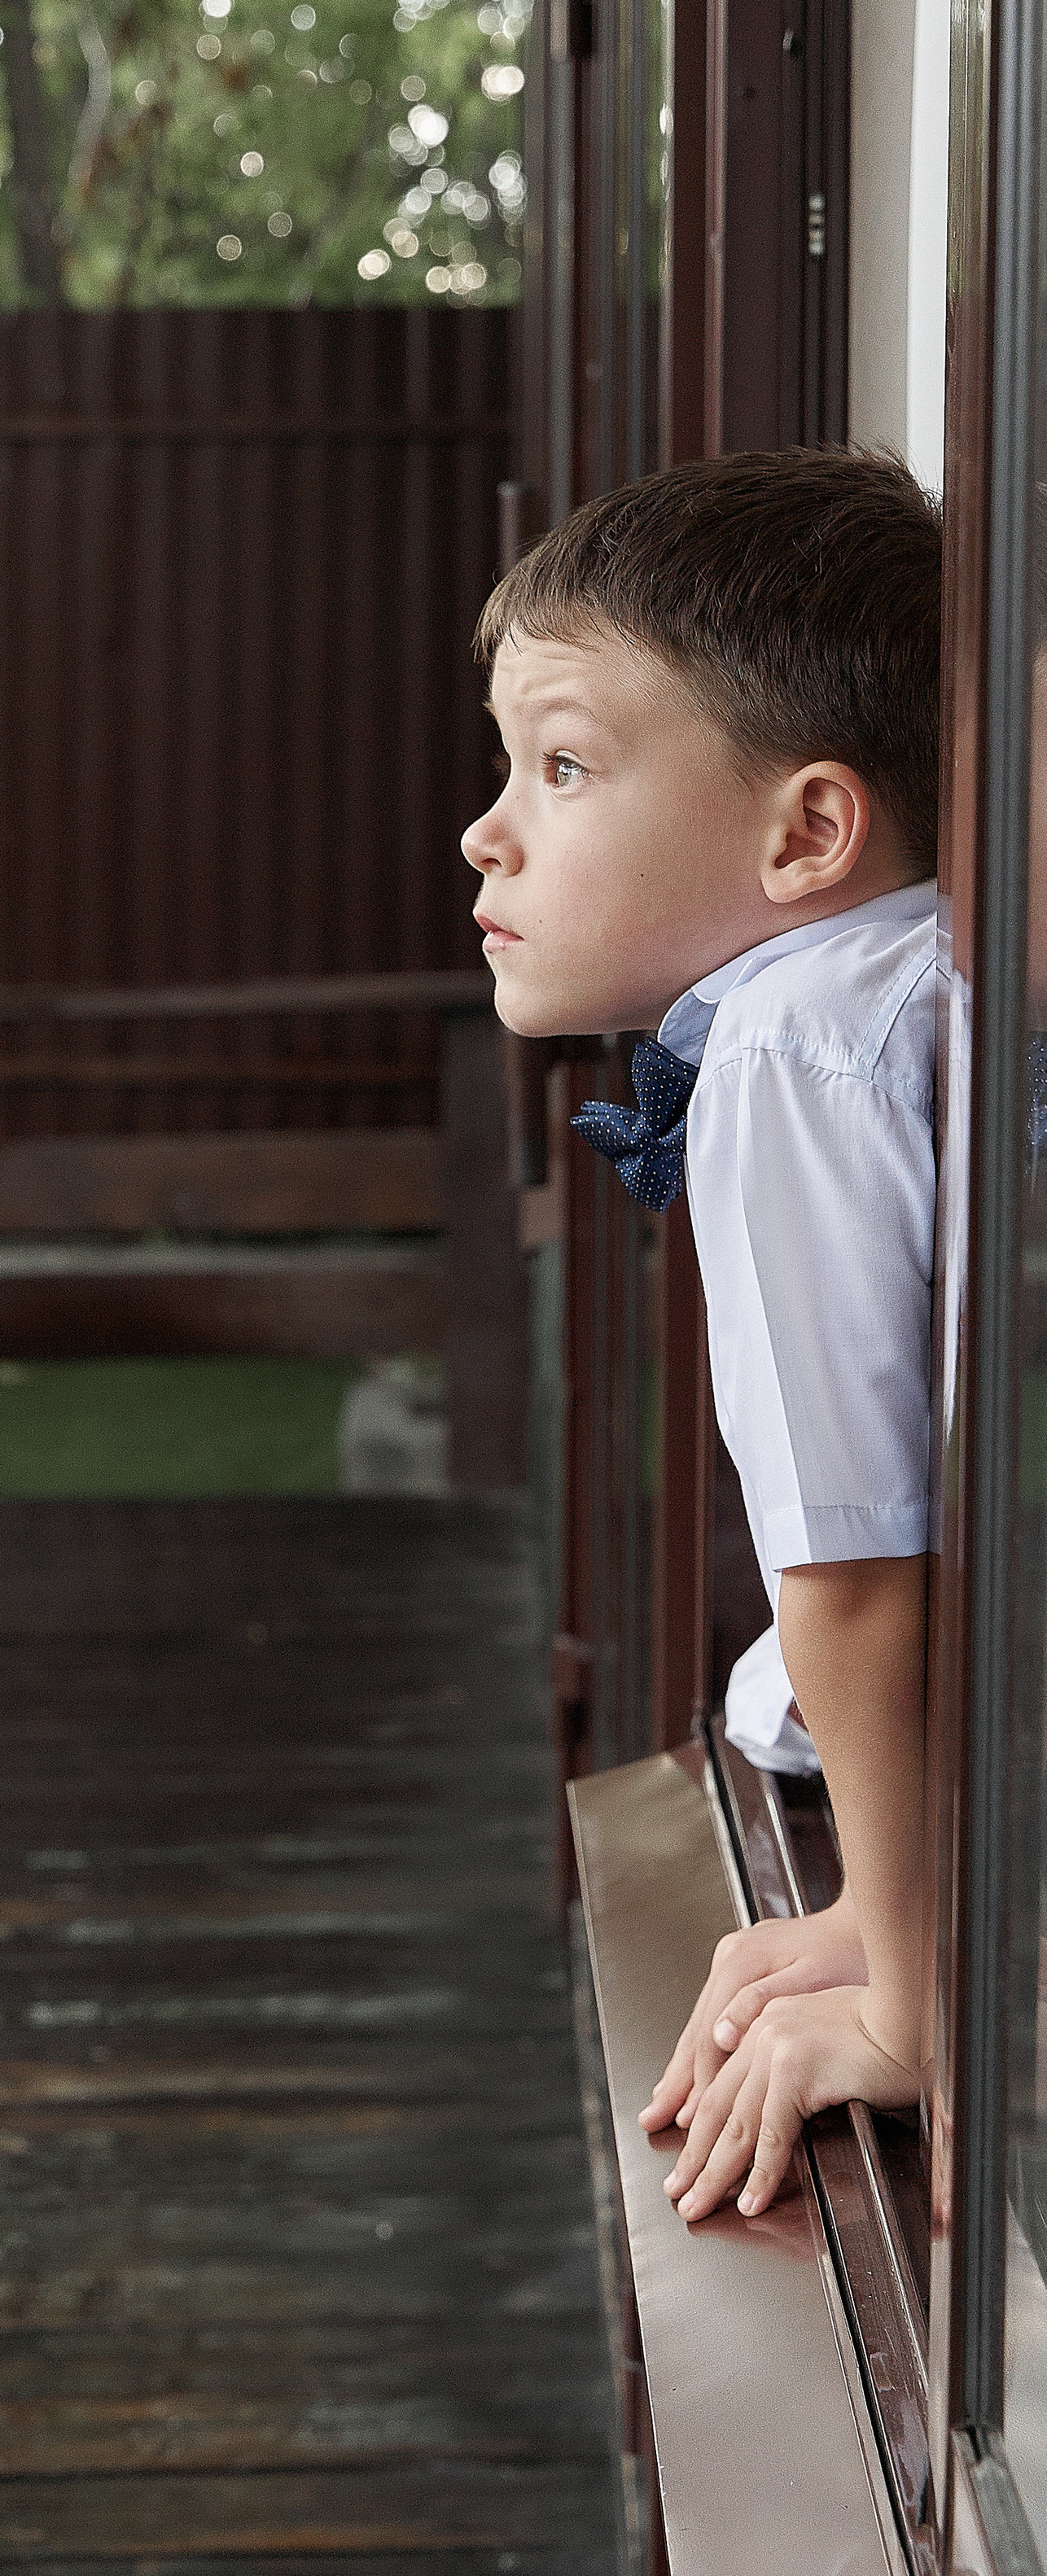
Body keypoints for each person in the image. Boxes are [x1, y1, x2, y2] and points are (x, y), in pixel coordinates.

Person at [462, 448, 941, 2224]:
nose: (486, 829)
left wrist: (903, 1994)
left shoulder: (793, 1055)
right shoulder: (919, 977)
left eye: (564, 766)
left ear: (803, 832)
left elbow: (857, 1568)